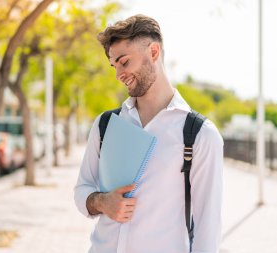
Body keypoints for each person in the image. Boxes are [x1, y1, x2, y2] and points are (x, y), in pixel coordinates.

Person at [74, 14, 223, 253]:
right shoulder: (106, 124)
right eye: (114, 66)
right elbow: (82, 189)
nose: (118, 74)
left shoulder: (199, 135)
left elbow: (208, 228)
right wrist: (102, 202)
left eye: (124, 62)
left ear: (154, 52)